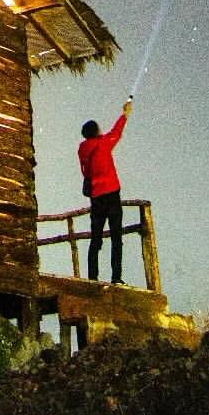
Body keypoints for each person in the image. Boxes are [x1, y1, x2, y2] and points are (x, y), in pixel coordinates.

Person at [79, 99, 132, 284]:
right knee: (116, 237)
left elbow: (85, 172)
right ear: (96, 131)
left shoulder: (82, 149)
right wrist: (124, 114)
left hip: (96, 197)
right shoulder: (103, 143)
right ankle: (116, 277)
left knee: (95, 238)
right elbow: (116, 132)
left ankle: (92, 278)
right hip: (111, 194)